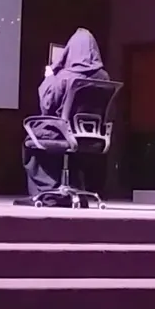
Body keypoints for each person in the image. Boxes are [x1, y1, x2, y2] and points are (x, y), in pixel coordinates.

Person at [23, 27, 110, 198]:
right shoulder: (104, 77)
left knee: (31, 138)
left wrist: (49, 78)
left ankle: (49, 192)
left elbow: (46, 106)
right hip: (91, 135)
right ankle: (74, 190)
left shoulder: (65, 76)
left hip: (61, 132)